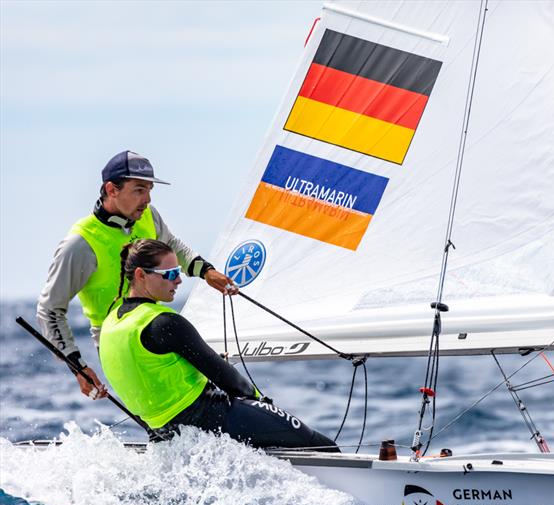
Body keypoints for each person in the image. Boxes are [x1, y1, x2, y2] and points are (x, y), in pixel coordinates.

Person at [98, 239, 339, 452]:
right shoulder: (163, 322)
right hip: (210, 417)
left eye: (179, 271)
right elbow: (228, 379)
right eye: (170, 274)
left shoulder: (109, 324)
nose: (180, 279)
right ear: (141, 275)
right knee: (325, 446)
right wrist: (262, 404)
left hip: (163, 432)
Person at [37, 150, 235, 400]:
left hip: (156, 329)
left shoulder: (148, 216)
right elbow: (50, 310)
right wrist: (78, 366)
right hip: (117, 342)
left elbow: (172, 244)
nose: (148, 199)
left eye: (150, 190)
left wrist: (206, 271)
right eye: (139, 190)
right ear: (112, 189)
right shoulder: (79, 245)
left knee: (214, 393)